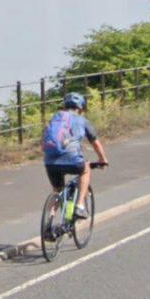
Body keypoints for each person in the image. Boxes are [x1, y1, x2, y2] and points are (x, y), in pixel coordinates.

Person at [42, 92, 108, 220]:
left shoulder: (55, 117)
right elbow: (95, 143)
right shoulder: (82, 121)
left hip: (50, 161)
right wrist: (102, 159)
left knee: (57, 190)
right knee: (85, 170)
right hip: (73, 160)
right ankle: (80, 206)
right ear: (81, 108)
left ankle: (48, 223)